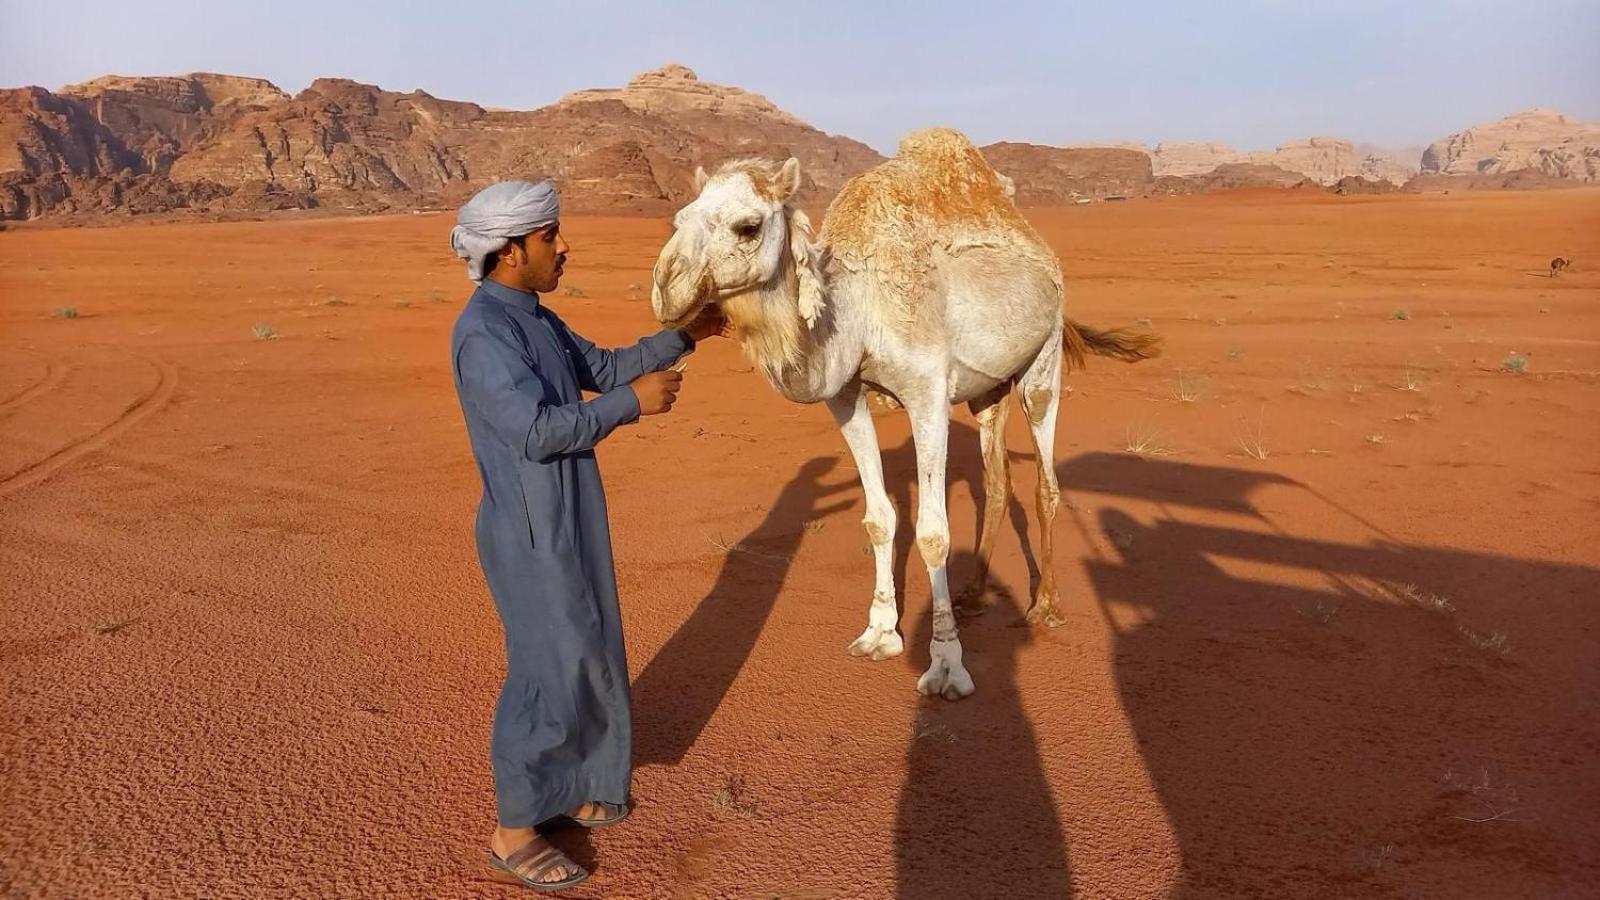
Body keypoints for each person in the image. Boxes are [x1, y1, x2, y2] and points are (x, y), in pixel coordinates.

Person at [448, 179, 724, 890]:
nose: (563, 247)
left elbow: (598, 368)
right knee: (546, 669)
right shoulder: (484, 334)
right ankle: (513, 831)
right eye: (550, 238)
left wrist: (685, 335)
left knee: (585, 650)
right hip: (531, 526)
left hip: (569, 514)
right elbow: (535, 432)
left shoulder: (532, 315)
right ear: (509, 252)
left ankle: (565, 787)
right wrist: (632, 406)